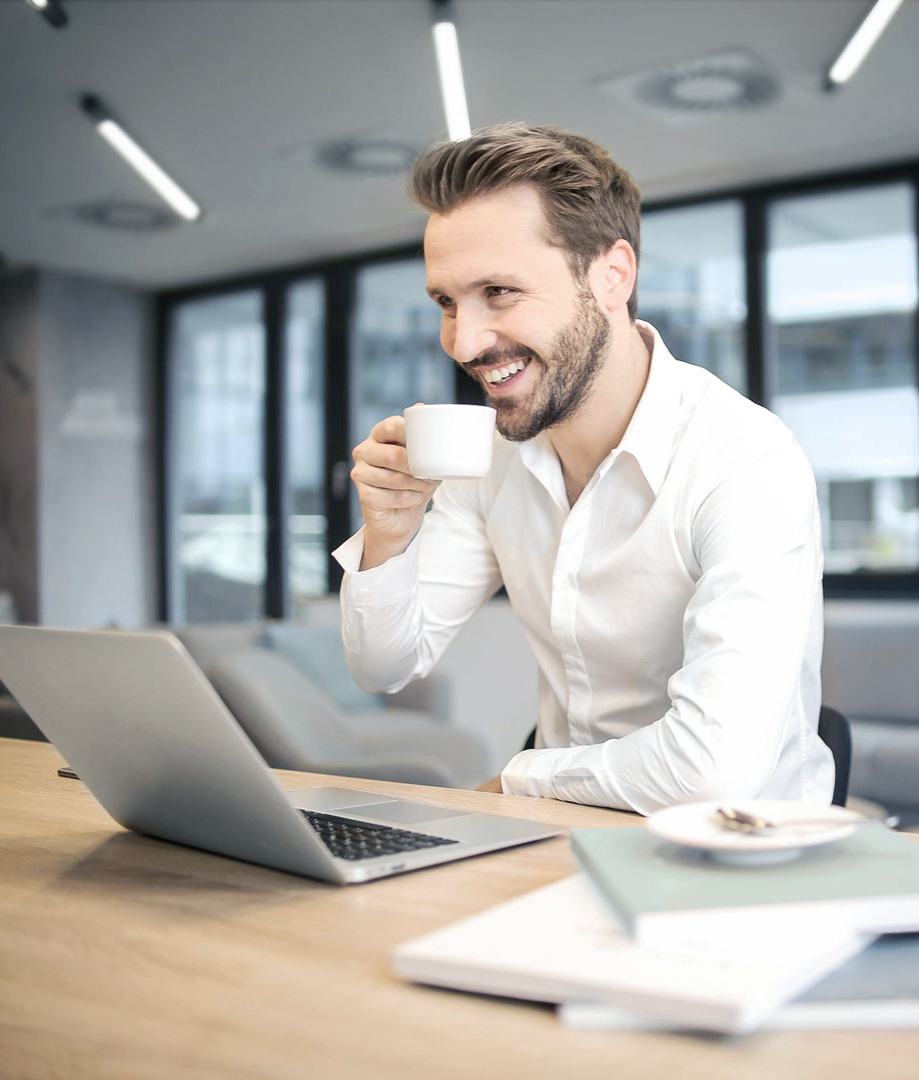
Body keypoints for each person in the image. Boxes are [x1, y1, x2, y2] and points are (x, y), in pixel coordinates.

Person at [334, 122, 831, 814]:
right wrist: (389, 534)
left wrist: (519, 778)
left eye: (499, 292)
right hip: (560, 842)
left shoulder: (745, 459)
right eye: (447, 303)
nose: (464, 341)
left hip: (739, 856)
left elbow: (712, 771)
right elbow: (384, 665)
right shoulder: (496, 459)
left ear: (611, 276)